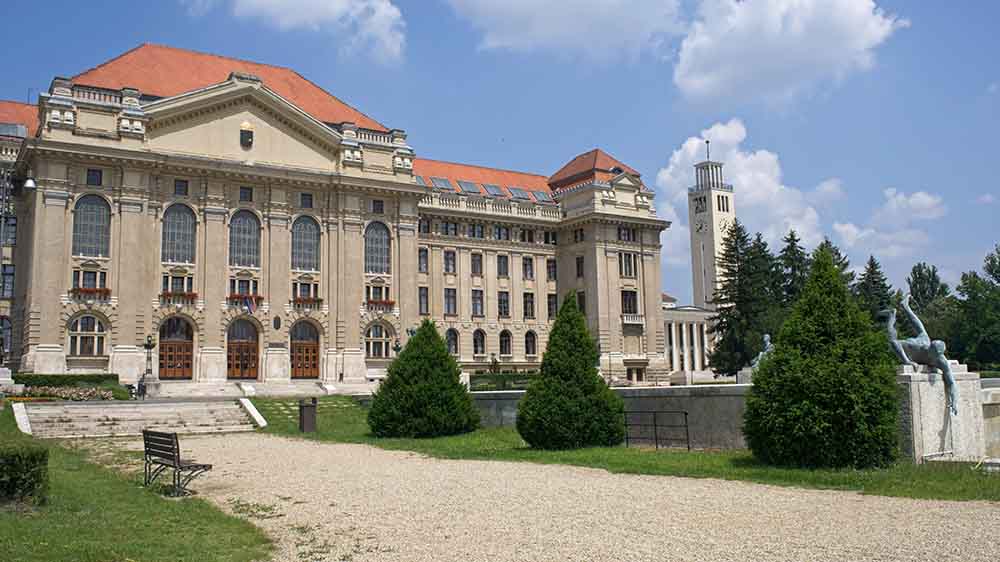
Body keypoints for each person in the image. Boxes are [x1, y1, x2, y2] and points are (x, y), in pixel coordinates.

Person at [881, 294, 958, 415]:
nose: (936, 358)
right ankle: (892, 316)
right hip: (909, 348)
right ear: (930, 350)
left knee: (921, 329)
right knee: (891, 340)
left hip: (921, 344)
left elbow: (951, 382)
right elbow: (895, 343)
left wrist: (954, 401)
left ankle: (905, 307)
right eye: (934, 355)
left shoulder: (940, 360)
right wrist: (907, 361)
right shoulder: (919, 346)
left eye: (938, 355)